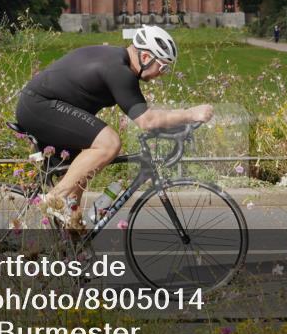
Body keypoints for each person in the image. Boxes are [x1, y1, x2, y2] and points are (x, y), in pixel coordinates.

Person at [15, 25, 213, 228]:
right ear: (146, 58)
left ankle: (69, 250)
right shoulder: (119, 70)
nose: (162, 74)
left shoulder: (118, 61)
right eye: (163, 67)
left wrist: (176, 125)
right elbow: (147, 120)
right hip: (39, 106)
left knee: (79, 188)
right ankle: (54, 199)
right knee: (109, 143)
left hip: (44, 106)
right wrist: (190, 114)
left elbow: (145, 114)